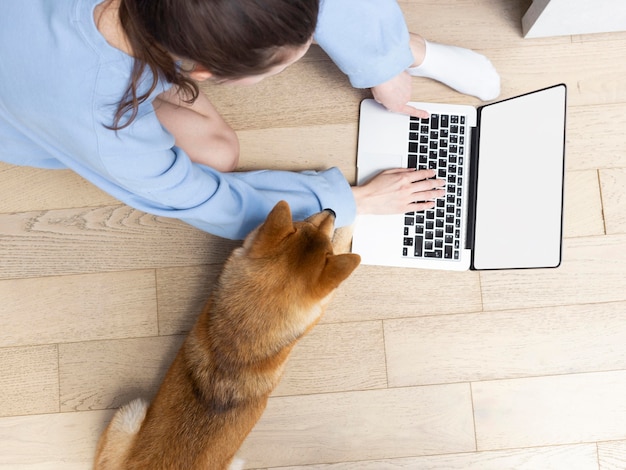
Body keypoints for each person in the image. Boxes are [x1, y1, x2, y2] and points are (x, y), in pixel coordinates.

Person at [0, 0, 499, 240]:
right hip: (24, 92)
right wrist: (349, 200)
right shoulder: (99, 122)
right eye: (287, 61)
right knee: (218, 154)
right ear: (201, 70)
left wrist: (386, 58)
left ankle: (406, 52)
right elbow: (200, 199)